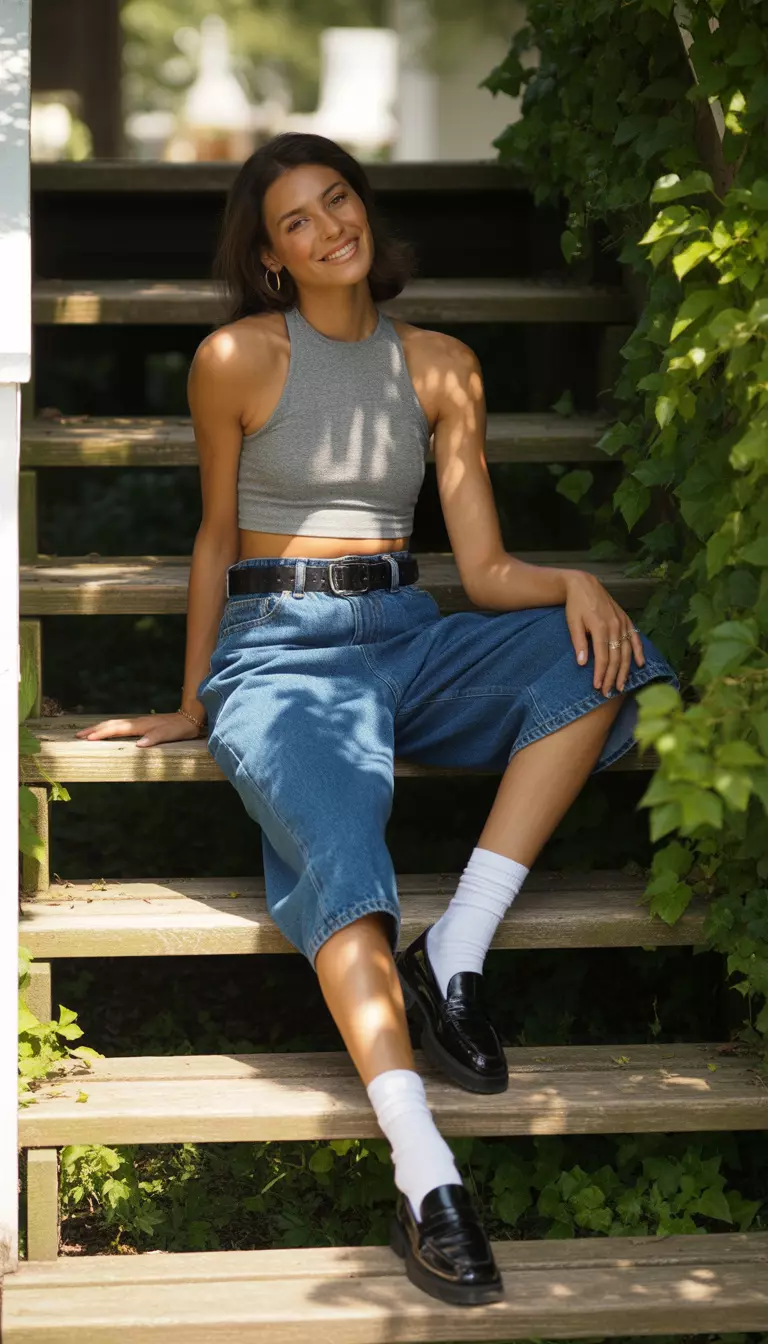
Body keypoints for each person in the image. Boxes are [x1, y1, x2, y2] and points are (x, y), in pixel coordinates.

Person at [78, 132, 679, 1307]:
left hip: (408, 634)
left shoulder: (443, 367)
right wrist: (194, 698)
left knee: (606, 661)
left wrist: (574, 584)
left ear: (365, 209)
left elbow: (487, 571)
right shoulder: (236, 360)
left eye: (338, 199)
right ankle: (424, 1169)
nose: (328, 228)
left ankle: (455, 950)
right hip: (280, 652)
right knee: (349, 854)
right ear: (268, 257)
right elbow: (214, 537)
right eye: (296, 220)